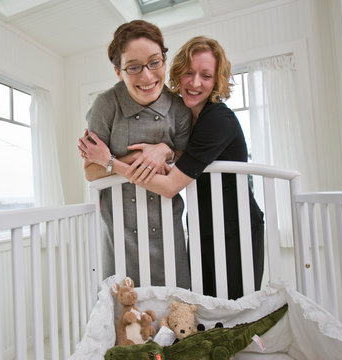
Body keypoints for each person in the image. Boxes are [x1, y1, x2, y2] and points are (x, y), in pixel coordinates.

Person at [79, 36, 264, 299]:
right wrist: (165, 150)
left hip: (234, 224)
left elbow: (169, 185)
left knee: (236, 310)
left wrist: (110, 162)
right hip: (203, 223)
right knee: (207, 309)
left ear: (217, 80)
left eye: (206, 76)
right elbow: (184, 156)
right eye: (189, 73)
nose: (195, 82)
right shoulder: (190, 116)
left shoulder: (217, 119)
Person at [81, 20, 192, 288]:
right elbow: (91, 172)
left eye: (155, 62)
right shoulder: (106, 105)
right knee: (124, 315)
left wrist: (165, 151)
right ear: (118, 71)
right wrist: (136, 159)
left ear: (164, 61)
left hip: (168, 225)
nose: (147, 77)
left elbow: (185, 159)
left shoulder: (179, 109)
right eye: (133, 67)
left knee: (177, 313)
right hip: (120, 229)